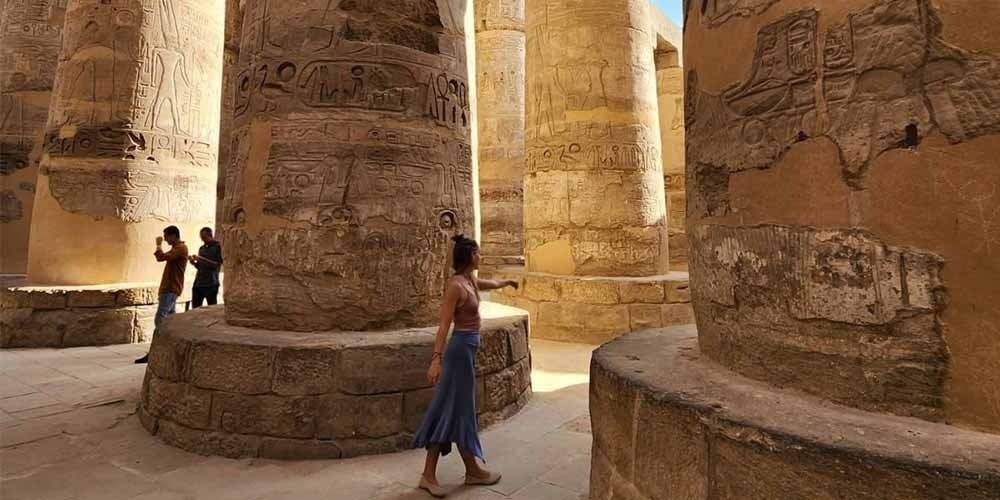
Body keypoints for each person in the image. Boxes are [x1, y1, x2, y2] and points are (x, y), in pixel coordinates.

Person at [411, 234, 519, 498]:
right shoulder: (455, 287)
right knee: (448, 409)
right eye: (478, 253)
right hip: (457, 353)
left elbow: (488, 283)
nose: (481, 256)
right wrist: (436, 359)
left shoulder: (470, 280)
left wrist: (507, 281)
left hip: (468, 353)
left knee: (460, 410)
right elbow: (444, 326)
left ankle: (472, 469)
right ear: (471, 256)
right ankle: (429, 475)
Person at [135, 226, 189, 364]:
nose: (165, 239)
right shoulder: (177, 248)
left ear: (173, 236)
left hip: (171, 288)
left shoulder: (181, 248)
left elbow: (162, 257)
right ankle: (169, 348)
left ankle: (159, 348)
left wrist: (158, 245)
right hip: (169, 288)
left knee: (160, 318)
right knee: (170, 320)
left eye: (166, 237)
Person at [189, 227, 222, 308]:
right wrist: (193, 262)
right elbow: (200, 267)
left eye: (204, 237)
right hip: (198, 284)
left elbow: (217, 265)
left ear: (210, 235)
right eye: (201, 238)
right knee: (195, 308)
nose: (202, 240)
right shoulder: (202, 248)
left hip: (211, 284)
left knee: (212, 308)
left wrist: (201, 259)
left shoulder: (218, 247)